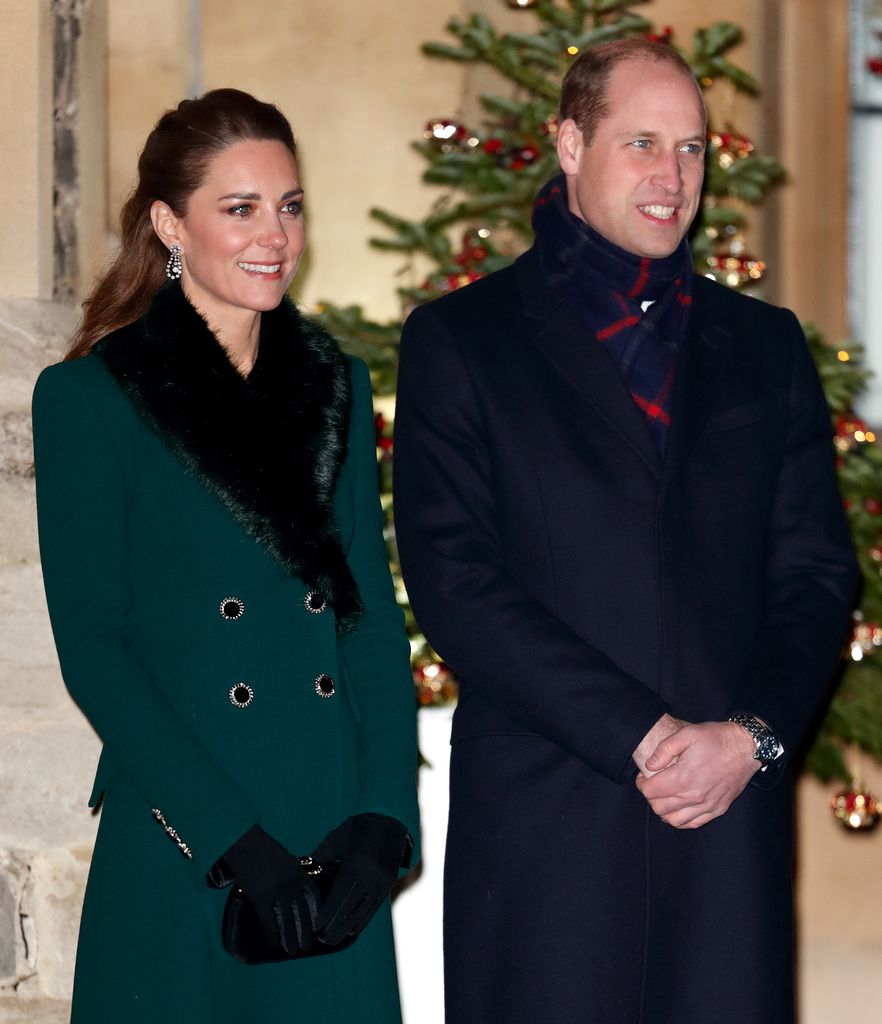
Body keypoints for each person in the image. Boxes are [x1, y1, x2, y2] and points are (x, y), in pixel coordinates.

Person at [392, 38, 857, 1024]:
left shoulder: (765, 348)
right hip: (543, 844)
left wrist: (752, 739)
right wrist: (642, 734)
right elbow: (455, 580)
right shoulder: (460, 341)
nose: (672, 177)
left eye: (691, 150)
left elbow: (815, 575)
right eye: (641, 142)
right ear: (569, 144)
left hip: (724, 838)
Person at [33, 88, 418, 1024]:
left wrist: (382, 818)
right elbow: (95, 648)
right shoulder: (91, 399)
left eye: (288, 206)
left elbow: (367, 626)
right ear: (169, 222)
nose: (274, 235)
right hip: (186, 835)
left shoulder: (336, 385)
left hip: (328, 833)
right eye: (239, 208)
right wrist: (229, 838)